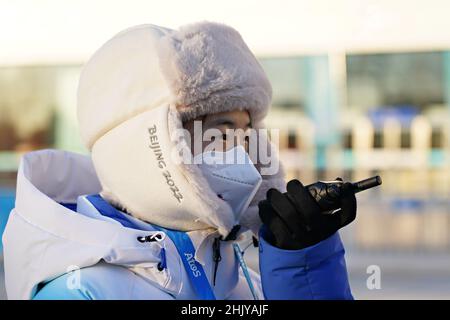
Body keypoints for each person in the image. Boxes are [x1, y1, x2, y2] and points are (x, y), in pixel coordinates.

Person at [2, 21, 355, 300]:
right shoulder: (83, 292)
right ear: (153, 145)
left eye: (248, 130)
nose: (244, 146)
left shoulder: (234, 273)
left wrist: (304, 269)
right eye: (223, 128)